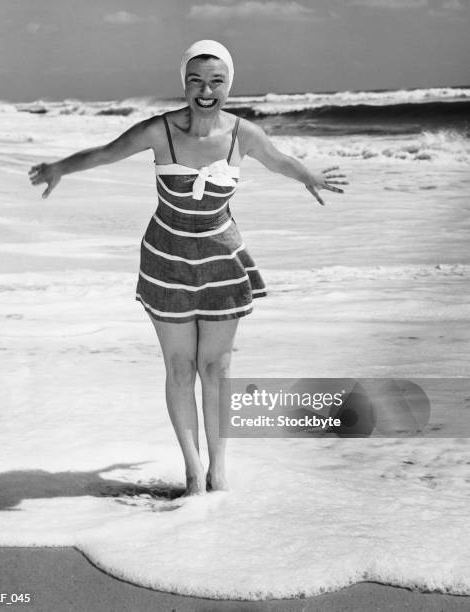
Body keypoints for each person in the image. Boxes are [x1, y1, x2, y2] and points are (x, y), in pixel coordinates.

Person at [29, 40, 348, 496]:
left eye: (216, 81)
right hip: (166, 261)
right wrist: (61, 167)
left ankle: (220, 470)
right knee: (180, 367)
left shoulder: (243, 134)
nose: (205, 90)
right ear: (184, 83)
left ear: (228, 86)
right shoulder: (160, 131)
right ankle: (194, 471)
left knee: (216, 367)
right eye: (196, 80)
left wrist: (310, 177)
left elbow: (279, 161)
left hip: (222, 260)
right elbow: (105, 152)